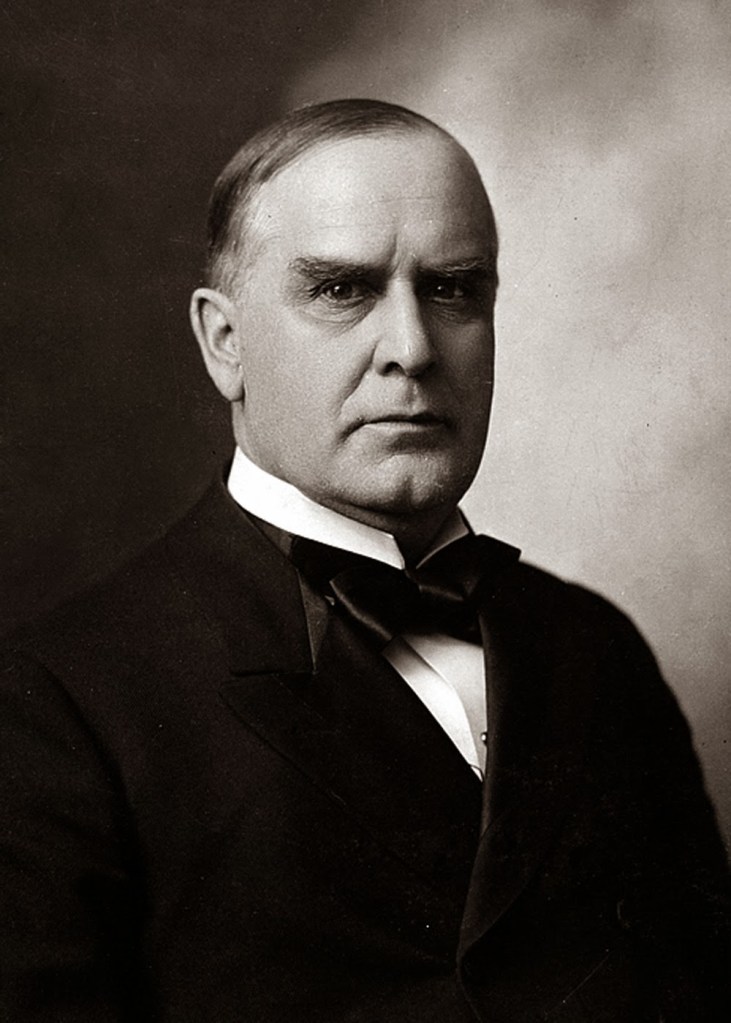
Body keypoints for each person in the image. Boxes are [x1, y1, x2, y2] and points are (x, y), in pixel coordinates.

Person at [0, 99, 728, 1022]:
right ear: (225, 343)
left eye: (452, 289)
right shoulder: (56, 703)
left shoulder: (595, 646)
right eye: (342, 290)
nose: (412, 350)